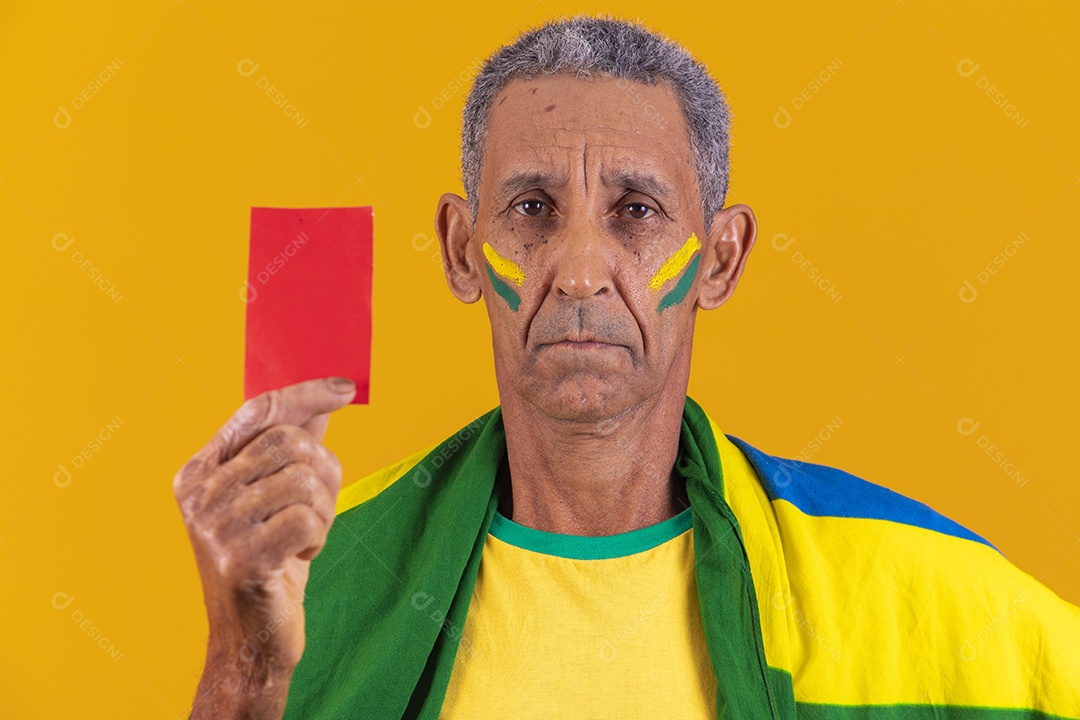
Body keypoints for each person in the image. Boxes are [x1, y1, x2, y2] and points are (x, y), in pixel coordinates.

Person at [173, 14, 1080, 720]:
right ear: (460, 248)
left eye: (637, 211)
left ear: (720, 259)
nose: (576, 272)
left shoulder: (900, 580)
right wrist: (243, 664)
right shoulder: (319, 569)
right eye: (531, 207)